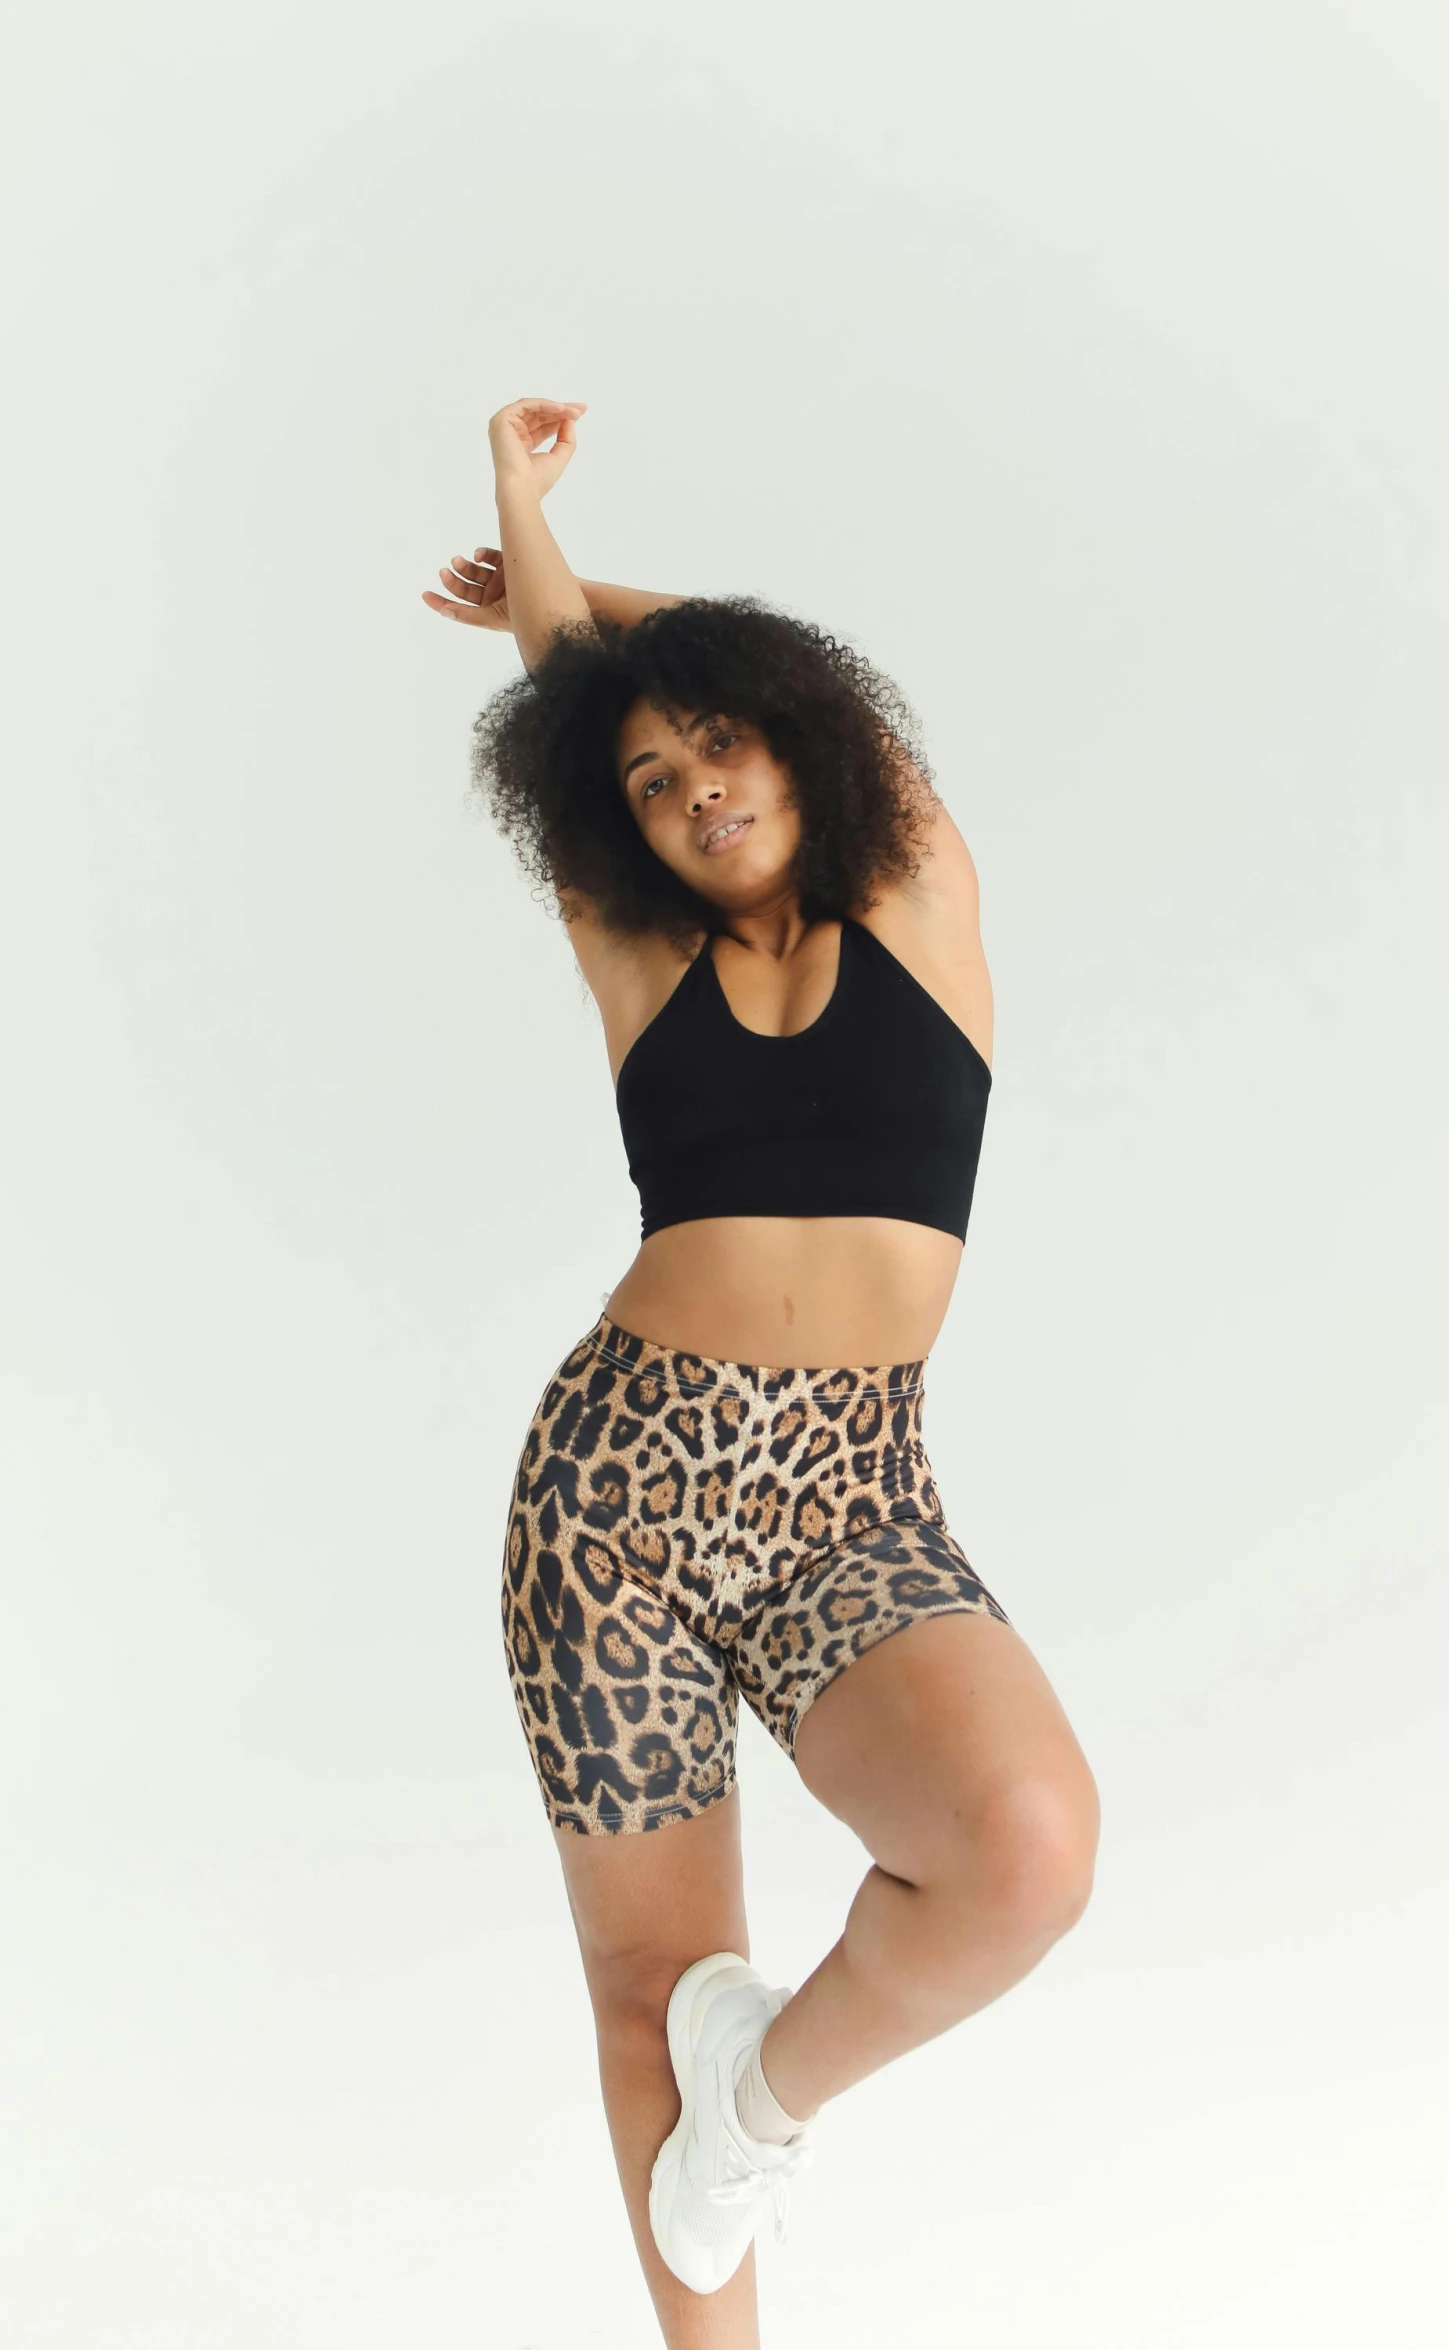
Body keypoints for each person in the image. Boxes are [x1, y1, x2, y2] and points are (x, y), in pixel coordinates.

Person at [422, 396, 1101, 2349]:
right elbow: (588, 706)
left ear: (791, 736)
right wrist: (524, 530)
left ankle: (769, 2092)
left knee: (1023, 1845)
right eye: (647, 777)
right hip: (614, 1501)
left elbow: (759, 690)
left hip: (853, 1505)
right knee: (649, 1979)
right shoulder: (640, 956)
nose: (695, 783)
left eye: (721, 739)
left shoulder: (922, 899)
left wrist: (593, 575)